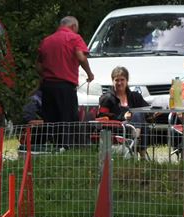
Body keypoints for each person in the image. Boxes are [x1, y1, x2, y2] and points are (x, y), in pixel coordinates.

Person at [37, 16, 94, 145]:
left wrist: (47, 75)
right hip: (65, 86)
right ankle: (66, 147)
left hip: (48, 86)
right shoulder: (74, 38)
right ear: (73, 27)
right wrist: (89, 74)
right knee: (67, 118)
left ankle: (50, 146)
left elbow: (39, 66)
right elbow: (81, 57)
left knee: (50, 119)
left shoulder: (46, 41)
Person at [97, 65, 151, 158]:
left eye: (122, 80)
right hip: (117, 127)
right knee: (139, 117)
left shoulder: (135, 96)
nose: (119, 83)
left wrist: (153, 114)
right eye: (116, 80)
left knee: (139, 116)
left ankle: (136, 137)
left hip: (134, 127)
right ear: (112, 81)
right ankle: (142, 155)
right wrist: (123, 117)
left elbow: (147, 110)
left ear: (127, 81)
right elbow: (101, 117)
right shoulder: (107, 98)